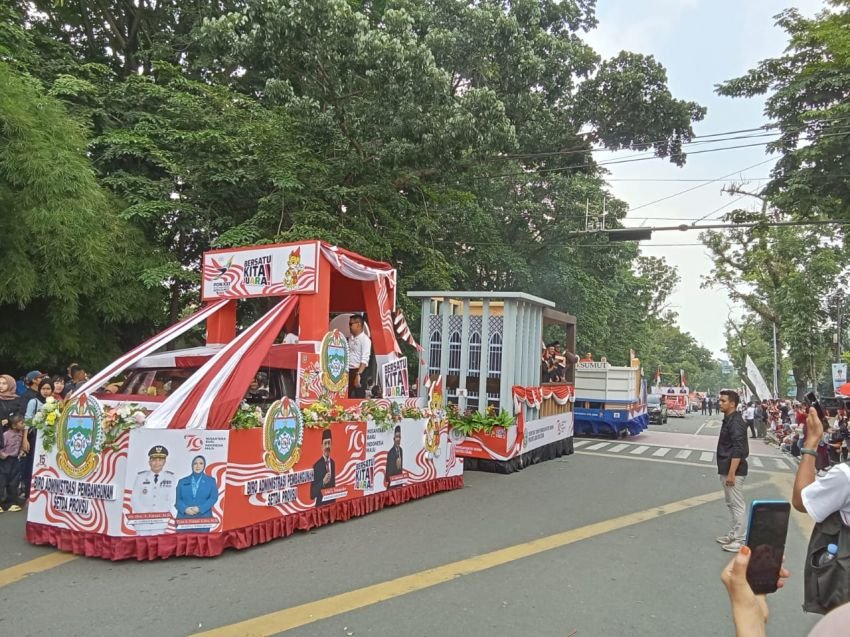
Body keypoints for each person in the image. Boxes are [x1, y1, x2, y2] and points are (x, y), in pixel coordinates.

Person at [715, 389, 749, 552]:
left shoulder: (736, 423)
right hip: (727, 467)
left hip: (734, 469)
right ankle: (734, 534)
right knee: (731, 503)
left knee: (737, 504)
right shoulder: (729, 419)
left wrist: (731, 473)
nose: (720, 403)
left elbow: (738, 449)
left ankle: (740, 539)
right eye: (720, 400)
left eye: (723, 401)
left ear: (732, 404)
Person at [130, 446, 177, 535]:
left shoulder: (170, 478)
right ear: (149, 461)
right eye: (154, 460)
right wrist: (145, 513)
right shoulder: (141, 477)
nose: (157, 463)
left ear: (164, 462)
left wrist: (159, 514)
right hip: (142, 521)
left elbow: (172, 499)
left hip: (161, 521)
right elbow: (135, 498)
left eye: (160, 460)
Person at [174, 455, 219, 532]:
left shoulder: (211, 481)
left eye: (201, 463)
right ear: (192, 465)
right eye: (195, 463)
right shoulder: (182, 481)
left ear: (204, 465)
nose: (198, 466)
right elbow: (178, 501)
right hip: (184, 520)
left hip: (203, 521)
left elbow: (213, 498)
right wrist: (185, 509)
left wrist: (200, 508)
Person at [0, 414, 26, 512]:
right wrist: (2, 454)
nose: (24, 425)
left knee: (13, 482)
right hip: (5, 460)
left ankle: (11, 503)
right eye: (21, 423)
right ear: (14, 425)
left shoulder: (21, 434)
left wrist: (21, 452)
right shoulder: (6, 435)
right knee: (2, 481)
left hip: (15, 460)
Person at [347, 314, 371, 399]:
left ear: (358, 324)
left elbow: (365, 359)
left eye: (351, 324)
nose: (349, 327)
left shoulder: (365, 340)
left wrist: (358, 374)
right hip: (348, 371)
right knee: (346, 396)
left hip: (359, 371)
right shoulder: (351, 338)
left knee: (359, 396)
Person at [310, 429, 335, 507]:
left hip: (332, 504)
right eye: (325, 443)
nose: (327, 446)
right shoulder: (316, 466)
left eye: (329, 443)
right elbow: (312, 494)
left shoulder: (333, 463)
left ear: (331, 445)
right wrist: (323, 482)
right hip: (321, 506)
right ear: (322, 446)